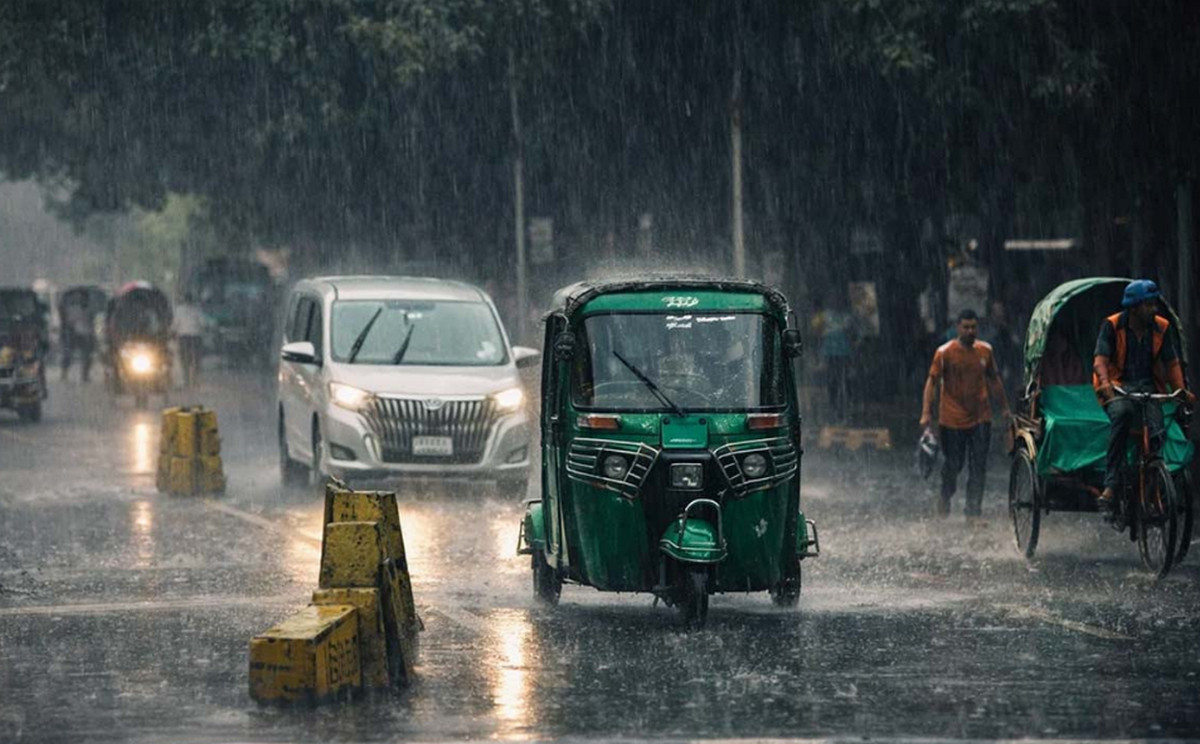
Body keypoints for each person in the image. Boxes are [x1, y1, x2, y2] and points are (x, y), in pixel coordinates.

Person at [1091, 280, 1194, 504]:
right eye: (1148, 305)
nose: (1154, 309)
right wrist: (1106, 384)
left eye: (1154, 304)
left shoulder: (1161, 327)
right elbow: (1100, 360)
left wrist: (1181, 391)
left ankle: (1154, 477)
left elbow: (1172, 363)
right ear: (1134, 307)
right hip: (1118, 386)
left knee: (1158, 428)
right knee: (1123, 415)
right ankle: (1111, 484)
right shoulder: (1112, 325)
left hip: (1148, 387)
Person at [920, 308, 1011, 522]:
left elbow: (994, 379)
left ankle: (973, 513)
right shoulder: (944, 353)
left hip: (981, 417)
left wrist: (1005, 408)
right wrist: (926, 413)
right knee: (954, 464)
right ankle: (945, 494)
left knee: (978, 466)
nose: (970, 331)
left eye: (973, 327)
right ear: (957, 328)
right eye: (966, 327)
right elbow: (931, 382)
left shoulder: (985, 351)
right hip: (951, 419)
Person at [173, 293, 206, 388]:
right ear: (192, 300)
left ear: (184, 300)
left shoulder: (179, 310)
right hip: (196, 337)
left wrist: (172, 333)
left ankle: (187, 381)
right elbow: (203, 323)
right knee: (196, 360)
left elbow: (175, 325)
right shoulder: (197, 310)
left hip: (184, 338)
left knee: (184, 360)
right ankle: (195, 381)